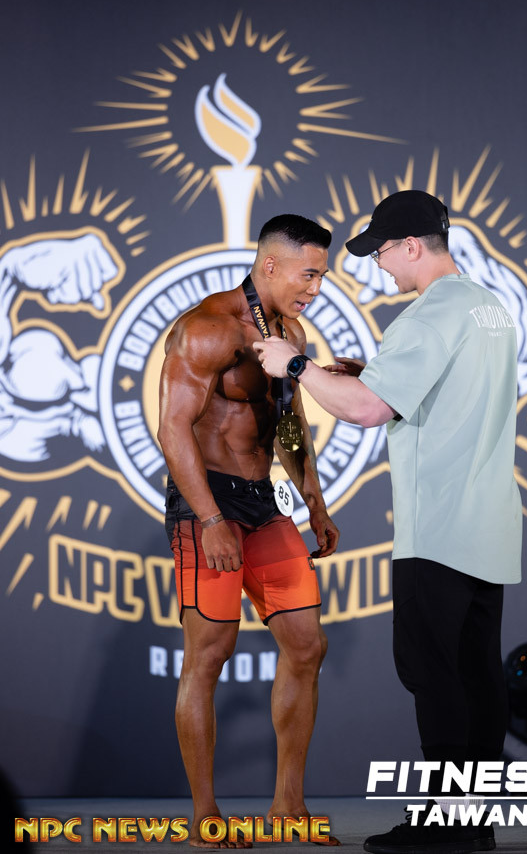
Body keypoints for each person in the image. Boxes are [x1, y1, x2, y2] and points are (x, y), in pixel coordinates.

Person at [255, 190, 522, 854]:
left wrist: (294, 365)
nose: (376, 264)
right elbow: (442, 391)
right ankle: (474, 824)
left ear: (410, 245)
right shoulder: (490, 308)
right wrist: (365, 374)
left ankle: (445, 828)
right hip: (490, 524)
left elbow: (367, 410)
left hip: (439, 526)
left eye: (380, 251)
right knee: (477, 675)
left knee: (433, 674)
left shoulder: (426, 317)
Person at [157, 213, 341, 848]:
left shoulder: (289, 331)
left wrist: (314, 502)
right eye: (308, 274)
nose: (315, 287)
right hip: (207, 504)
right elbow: (172, 428)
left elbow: (287, 421)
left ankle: (288, 804)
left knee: (307, 645)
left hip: (263, 503)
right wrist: (209, 518)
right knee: (208, 655)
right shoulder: (207, 328)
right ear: (270, 265)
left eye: (321, 275)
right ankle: (206, 817)